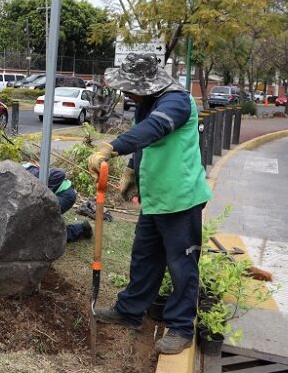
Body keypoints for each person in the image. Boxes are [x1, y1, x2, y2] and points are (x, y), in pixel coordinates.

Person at [87, 53, 212, 355]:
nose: (126, 93)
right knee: (144, 258)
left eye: (130, 87)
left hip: (181, 200)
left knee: (182, 266)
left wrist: (112, 147)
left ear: (147, 85)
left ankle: (181, 328)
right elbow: (146, 141)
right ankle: (129, 311)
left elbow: (154, 129)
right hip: (156, 199)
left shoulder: (177, 102)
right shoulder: (146, 103)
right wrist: (133, 168)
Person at [22, 163, 92, 242]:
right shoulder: (20, 172)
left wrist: (46, 193)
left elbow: (60, 174)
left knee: (44, 231)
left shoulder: (27, 174)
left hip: (65, 195)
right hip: (60, 193)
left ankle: (81, 229)